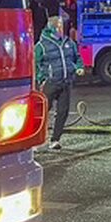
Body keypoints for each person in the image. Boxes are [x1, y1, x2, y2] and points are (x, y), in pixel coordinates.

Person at [34, 15, 84, 151]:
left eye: (62, 25)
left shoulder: (69, 42)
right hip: (50, 83)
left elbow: (77, 57)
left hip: (66, 82)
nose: (62, 28)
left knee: (63, 112)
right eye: (59, 26)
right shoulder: (41, 46)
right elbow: (35, 64)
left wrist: (79, 67)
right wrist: (41, 79)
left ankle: (55, 139)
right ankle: (36, 141)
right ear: (52, 28)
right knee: (42, 113)